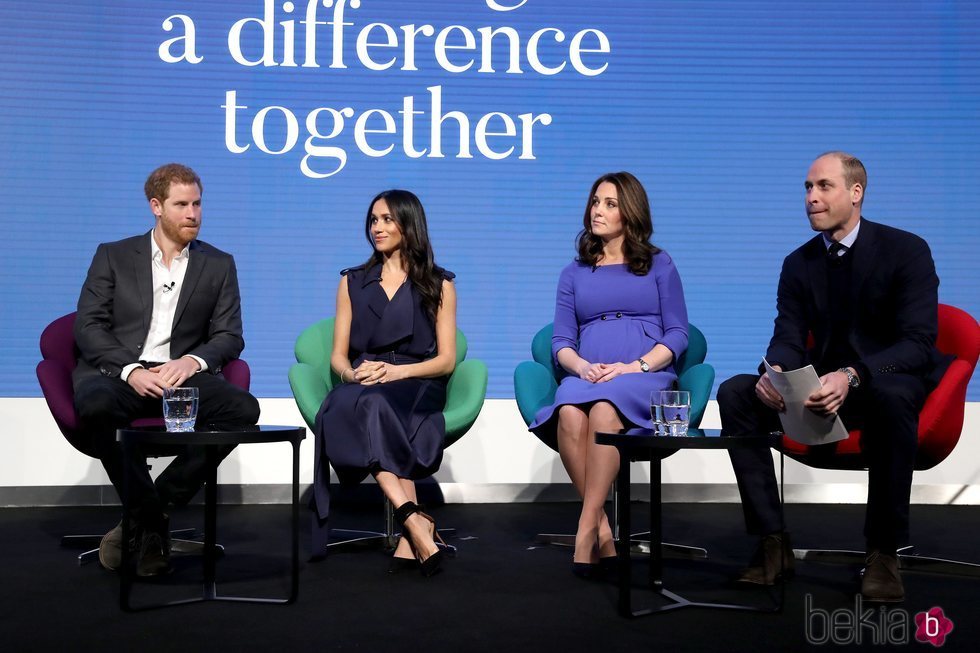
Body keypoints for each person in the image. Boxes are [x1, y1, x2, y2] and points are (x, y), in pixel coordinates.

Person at [719, 152, 951, 603]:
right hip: (819, 390)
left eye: (823, 186)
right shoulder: (798, 263)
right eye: (807, 188)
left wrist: (854, 374)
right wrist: (777, 372)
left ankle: (883, 552)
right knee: (736, 393)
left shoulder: (906, 250)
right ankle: (772, 542)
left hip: (882, 379)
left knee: (894, 395)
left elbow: (918, 342)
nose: (811, 197)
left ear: (856, 192)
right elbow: (787, 334)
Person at [72, 163, 260, 577]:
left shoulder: (218, 264)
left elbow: (230, 336)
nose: (193, 213)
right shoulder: (114, 255)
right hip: (120, 374)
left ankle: (144, 514)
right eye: (181, 205)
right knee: (97, 407)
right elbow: (88, 326)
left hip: (180, 376)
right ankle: (154, 523)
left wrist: (191, 362)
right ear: (156, 206)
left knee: (244, 412)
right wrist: (131, 369)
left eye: (197, 203)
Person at [529, 172, 689, 577]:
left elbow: (678, 334)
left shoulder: (659, 264)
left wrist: (635, 366)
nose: (597, 210)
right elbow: (561, 341)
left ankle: (585, 528)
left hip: (643, 376)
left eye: (610, 203)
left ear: (630, 212)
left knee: (603, 411)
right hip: (591, 373)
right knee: (568, 412)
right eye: (595, 201)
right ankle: (602, 528)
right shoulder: (574, 272)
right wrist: (582, 366)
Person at [312, 190, 457, 576]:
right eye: (374, 219)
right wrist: (351, 374)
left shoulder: (439, 284)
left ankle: (412, 523)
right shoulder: (352, 282)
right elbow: (337, 356)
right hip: (364, 378)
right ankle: (413, 518)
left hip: (415, 379)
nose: (378, 227)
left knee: (374, 405)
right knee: (359, 401)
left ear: (409, 225)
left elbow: (445, 360)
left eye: (388, 219)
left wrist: (397, 372)